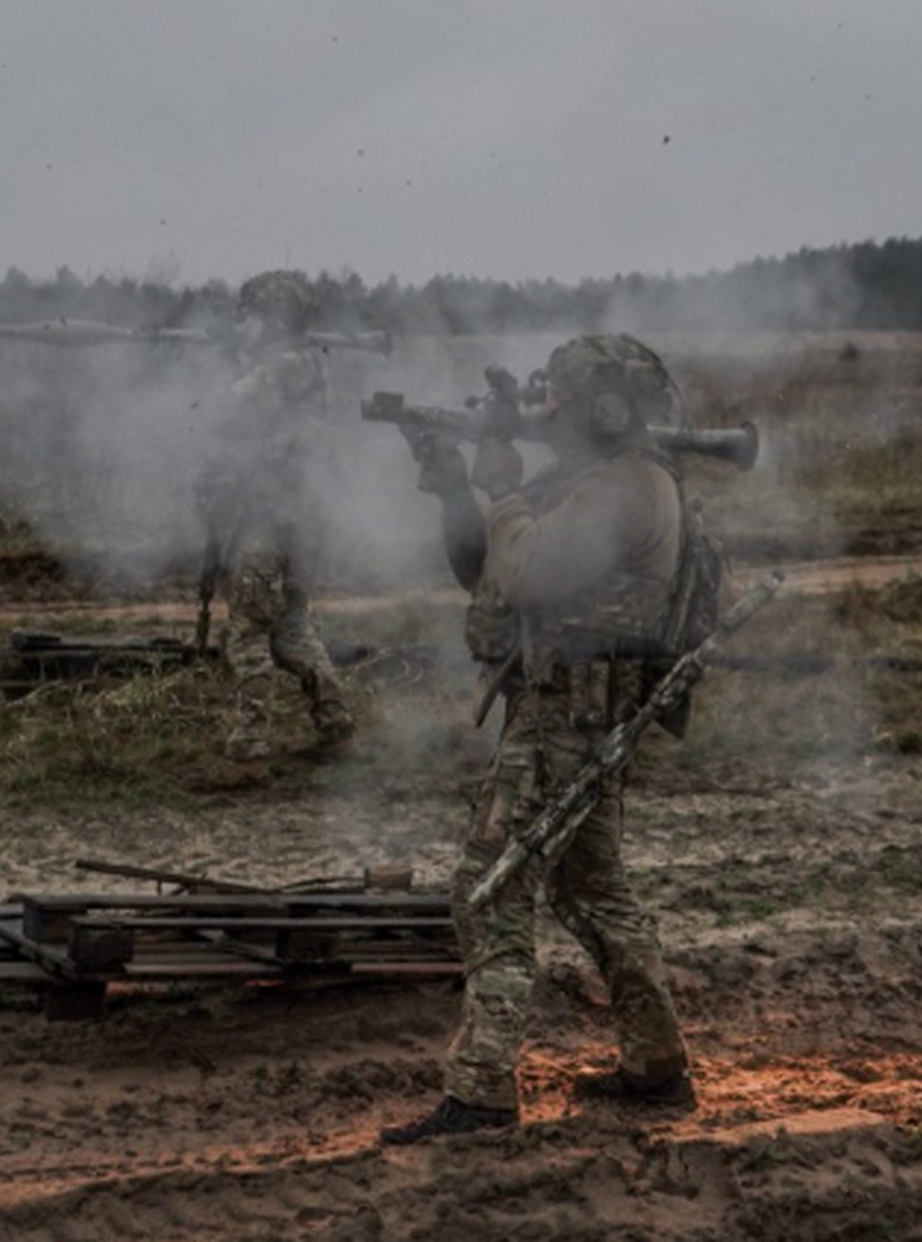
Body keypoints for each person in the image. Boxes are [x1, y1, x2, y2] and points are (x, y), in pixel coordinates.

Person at [380, 334, 699, 1145]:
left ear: (606, 406)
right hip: (576, 715)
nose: (542, 408)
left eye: (558, 395)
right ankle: (657, 1065)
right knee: (593, 890)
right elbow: (484, 570)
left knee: (487, 889)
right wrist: (457, 488)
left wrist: (501, 485)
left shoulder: (628, 488)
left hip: (567, 715)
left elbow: (528, 573)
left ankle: (483, 1088)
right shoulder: (592, 480)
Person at [196, 270, 356, 762]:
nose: (240, 325)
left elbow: (218, 414)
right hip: (299, 524)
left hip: (266, 522)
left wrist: (224, 361)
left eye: (248, 317)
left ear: (275, 320)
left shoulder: (279, 368)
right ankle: (334, 718)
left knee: (246, 632)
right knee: (290, 629)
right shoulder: (307, 364)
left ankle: (250, 739)